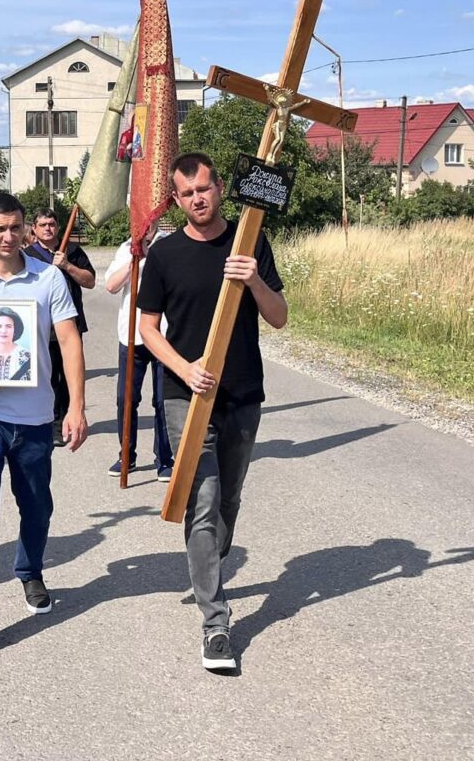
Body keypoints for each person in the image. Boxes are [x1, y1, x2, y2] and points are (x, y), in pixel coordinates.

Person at [137, 153, 287, 673]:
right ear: (176, 200)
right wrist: (187, 367)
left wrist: (254, 280)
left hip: (243, 393)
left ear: (220, 187)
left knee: (228, 499)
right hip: (187, 396)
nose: (198, 198)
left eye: (204, 188)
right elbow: (148, 330)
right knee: (201, 503)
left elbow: (280, 318)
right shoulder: (165, 255)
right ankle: (215, 623)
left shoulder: (250, 243)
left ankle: (208, 560)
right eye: (187, 193)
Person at [0, 191, 87, 668]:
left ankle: (29, 570)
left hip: (35, 418)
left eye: (15, 227)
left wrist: (77, 406)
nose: (8, 237)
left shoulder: (48, 278)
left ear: (26, 228)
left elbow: (68, 341)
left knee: (37, 508)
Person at [103, 225, 173, 481]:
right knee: (126, 398)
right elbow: (110, 286)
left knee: (163, 399)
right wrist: (136, 258)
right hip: (130, 335)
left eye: (151, 220)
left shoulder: (169, 245)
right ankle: (127, 455)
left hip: (163, 334)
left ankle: (165, 458)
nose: (146, 226)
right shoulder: (126, 248)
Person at [25, 208, 95, 445]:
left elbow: (90, 281)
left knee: (68, 376)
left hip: (69, 324)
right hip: (41, 326)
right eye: (42, 224)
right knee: (47, 376)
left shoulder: (72, 251)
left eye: (51, 224)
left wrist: (67, 266)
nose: (47, 228)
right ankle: (49, 420)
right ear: (34, 228)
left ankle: (67, 419)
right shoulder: (27, 255)